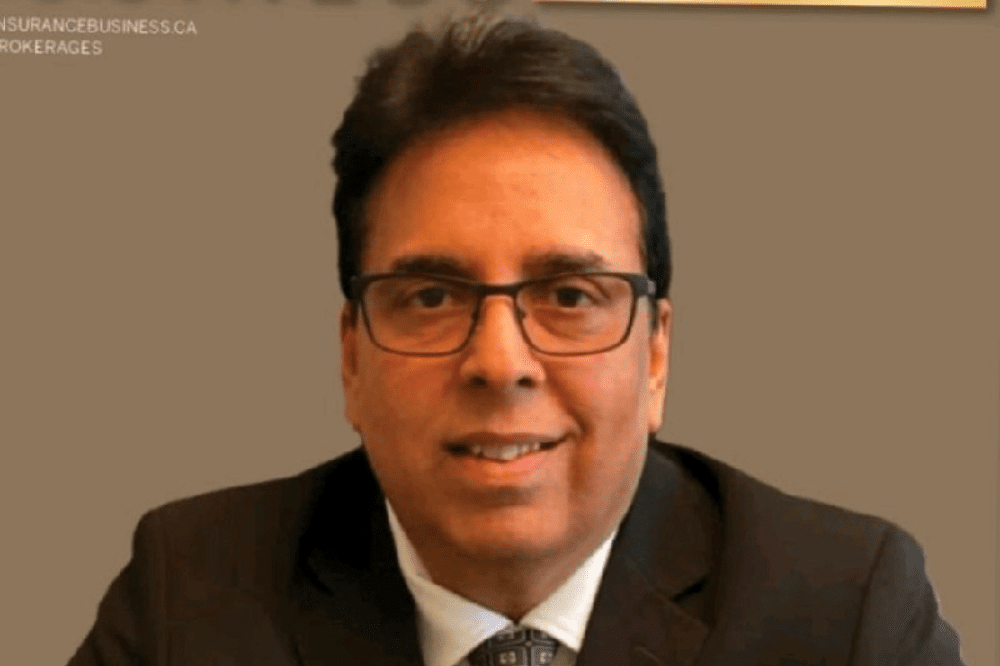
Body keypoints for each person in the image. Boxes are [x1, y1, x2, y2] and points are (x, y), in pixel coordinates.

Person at [67, 14, 965, 666]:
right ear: (351, 357)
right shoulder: (192, 596)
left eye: (570, 295)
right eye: (430, 296)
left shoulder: (845, 611)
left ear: (655, 356)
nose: (500, 363)